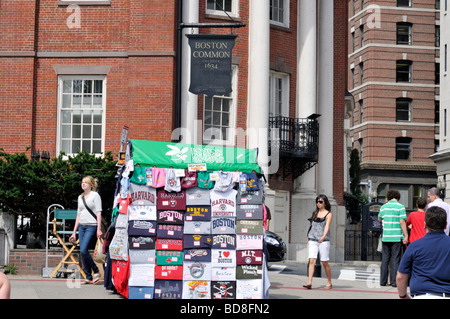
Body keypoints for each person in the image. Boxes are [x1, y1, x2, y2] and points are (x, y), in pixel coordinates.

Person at [397, 206, 450, 299]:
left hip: (421, 294)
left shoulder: (414, 246)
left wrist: (403, 295)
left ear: (425, 224)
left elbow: (401, 276)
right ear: (445, 225)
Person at [69, 176, 103, 284]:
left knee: (84, 250)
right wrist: (74, 232)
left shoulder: (95, 196)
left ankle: (96, 271)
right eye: (82, 182)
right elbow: (78, 215)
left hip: (91, 226)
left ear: (91, 185)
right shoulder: (80, 197)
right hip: (81, 226)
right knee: (83, 252)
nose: (83, 184)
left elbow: (98, 212)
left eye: (85, 182)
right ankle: (88, 277)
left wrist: (99, 228)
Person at [378, 189, 408, 287]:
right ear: (398, 197)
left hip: (386, 236)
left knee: (385, 259)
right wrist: (406, 235)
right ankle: (394, 282)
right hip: (396, 236)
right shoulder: (400, 207)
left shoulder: (383, 207)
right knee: (395, 259)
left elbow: (379, 218)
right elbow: (402, 222)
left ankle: (383, 281)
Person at [303, 194, 333, 290]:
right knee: (312, 260)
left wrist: (323, 237)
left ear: (325, 203)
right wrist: (308, 235)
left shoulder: (329, 214)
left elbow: (327, 226)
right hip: (313, 239)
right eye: (317, 201)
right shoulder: (315, 213)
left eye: (320, 202)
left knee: (324, 262)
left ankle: (329, 282)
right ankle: (309, 282)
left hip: (324, 241)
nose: (318, 203)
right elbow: (312, 225)